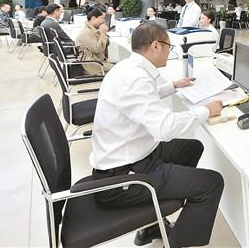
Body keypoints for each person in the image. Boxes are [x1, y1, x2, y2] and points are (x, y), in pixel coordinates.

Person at [90, 22, 224, 248]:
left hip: (133, 155)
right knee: (212, 183)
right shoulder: (136, 78)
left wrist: (172, 86)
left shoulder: (129, 68)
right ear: (155, 46)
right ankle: (178, 243)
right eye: (168, 47)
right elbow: (165, 128)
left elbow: (143, 98)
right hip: (122, 178)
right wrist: (206, 111)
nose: (169, 52)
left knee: (192, 147)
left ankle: (153, 221)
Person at [75, 8, 113, 75]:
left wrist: (102, 34)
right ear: (93, 18)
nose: (103, 21)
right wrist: (103, 33)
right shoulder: (86, 32)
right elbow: (98, 49)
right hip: (92, 64)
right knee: (118, 69)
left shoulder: (92, 30)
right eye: (102, 18)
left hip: (95, 61)